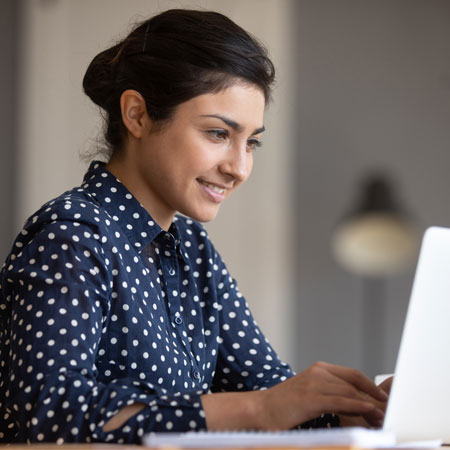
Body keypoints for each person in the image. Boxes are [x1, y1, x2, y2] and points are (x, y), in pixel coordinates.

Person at [0, 9, 389, 444]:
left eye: (252, 142)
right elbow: (51, 413)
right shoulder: (72, 236)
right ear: (138, 115)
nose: (239, 168)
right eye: (218, 134)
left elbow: (270, 393)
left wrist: (363, 409)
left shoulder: (192, 249)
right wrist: (262, 408)